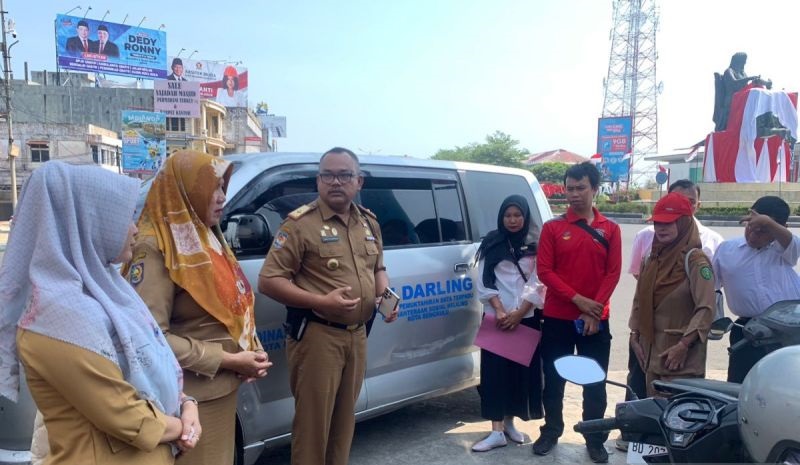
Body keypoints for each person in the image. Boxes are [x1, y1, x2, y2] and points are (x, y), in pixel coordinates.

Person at [0, 161, 200, 464]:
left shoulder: (110, 290)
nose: (134, 228)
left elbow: (152, 371)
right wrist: (182, 426)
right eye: (125, 218)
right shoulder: (53, 321)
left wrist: (188, 405)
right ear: (88, 220)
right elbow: (124, 414)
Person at [124, 150, 270, 465]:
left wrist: (248, 348)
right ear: (186, 188)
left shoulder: (205, 237)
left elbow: (229, 307)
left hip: (221, 389)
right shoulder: (155, 247)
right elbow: (147, 338)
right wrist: (229, 358)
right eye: (212, 188)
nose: (221, 198)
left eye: (223, 188)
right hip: (187, 401)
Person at [258, 147, 399, 465]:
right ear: (318, 180)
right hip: (318, 336)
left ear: (358, 181)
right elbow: (269, 280)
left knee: (344, 423)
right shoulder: (299, 225)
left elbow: (377, 267)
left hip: (357, 335)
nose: (336, 182)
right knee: (313, 428)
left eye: (344, 175)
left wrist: (383, 295)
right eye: (327, 175)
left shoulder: (368, 223)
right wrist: (321, 301)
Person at [534, 161, 621, 463]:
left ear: (594, 189)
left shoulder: (610, 229)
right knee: (554, 378)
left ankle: (594, 437)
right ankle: (551, 430)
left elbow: (612, 274)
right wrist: (579, 301)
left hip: (595, 321)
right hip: (558, 317)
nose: (574, 194)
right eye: (569, 188)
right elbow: (545, 271)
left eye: (581, 188)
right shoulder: (553, 228)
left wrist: (593, 311)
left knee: (593, 382)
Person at [471, 195, 545, 452]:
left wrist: (520, 311)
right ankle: (495, 431)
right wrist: (501, 311)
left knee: (518, 376)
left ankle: (510, 424)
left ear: (525, 217)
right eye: (507, 215)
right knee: (494, 375)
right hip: (497, 319)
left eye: (517, 215)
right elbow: (483, 281)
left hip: (526, 317)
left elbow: (539, 281)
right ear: (501, 217)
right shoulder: (491, 243)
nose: (512, 220)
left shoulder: (536, 243)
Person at [629, 193, 716, 397]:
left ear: (685, 222)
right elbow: (639, 300)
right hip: (650, 358)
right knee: (653, 418)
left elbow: (706, 309)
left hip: (680, 362)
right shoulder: (652, 258)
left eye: (669, 223)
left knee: (679, 421)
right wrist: (635, 336)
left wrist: (683, 345)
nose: (661, 229)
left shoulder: (696, 261)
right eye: (658, 223)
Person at [712, 196, 800, 383]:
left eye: (763, 230)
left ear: (780, 227)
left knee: (785, 386)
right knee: (741, 386)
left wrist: (767, 221)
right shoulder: (727, 250)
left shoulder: (785, 248)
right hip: (747, 331)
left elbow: (791, 242)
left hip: (788, 329)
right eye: (751, 227)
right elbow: (709, 288)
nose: (753, 234)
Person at [713, 52, 761, 131]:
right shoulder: (729, 71)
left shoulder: (743, 73)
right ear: (738, 60)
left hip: (742, 97)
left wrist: (755, 82)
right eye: (743, 60)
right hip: (732, 99)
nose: (745, 63)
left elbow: (746, 87)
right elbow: (734, 83)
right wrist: (749, 78)